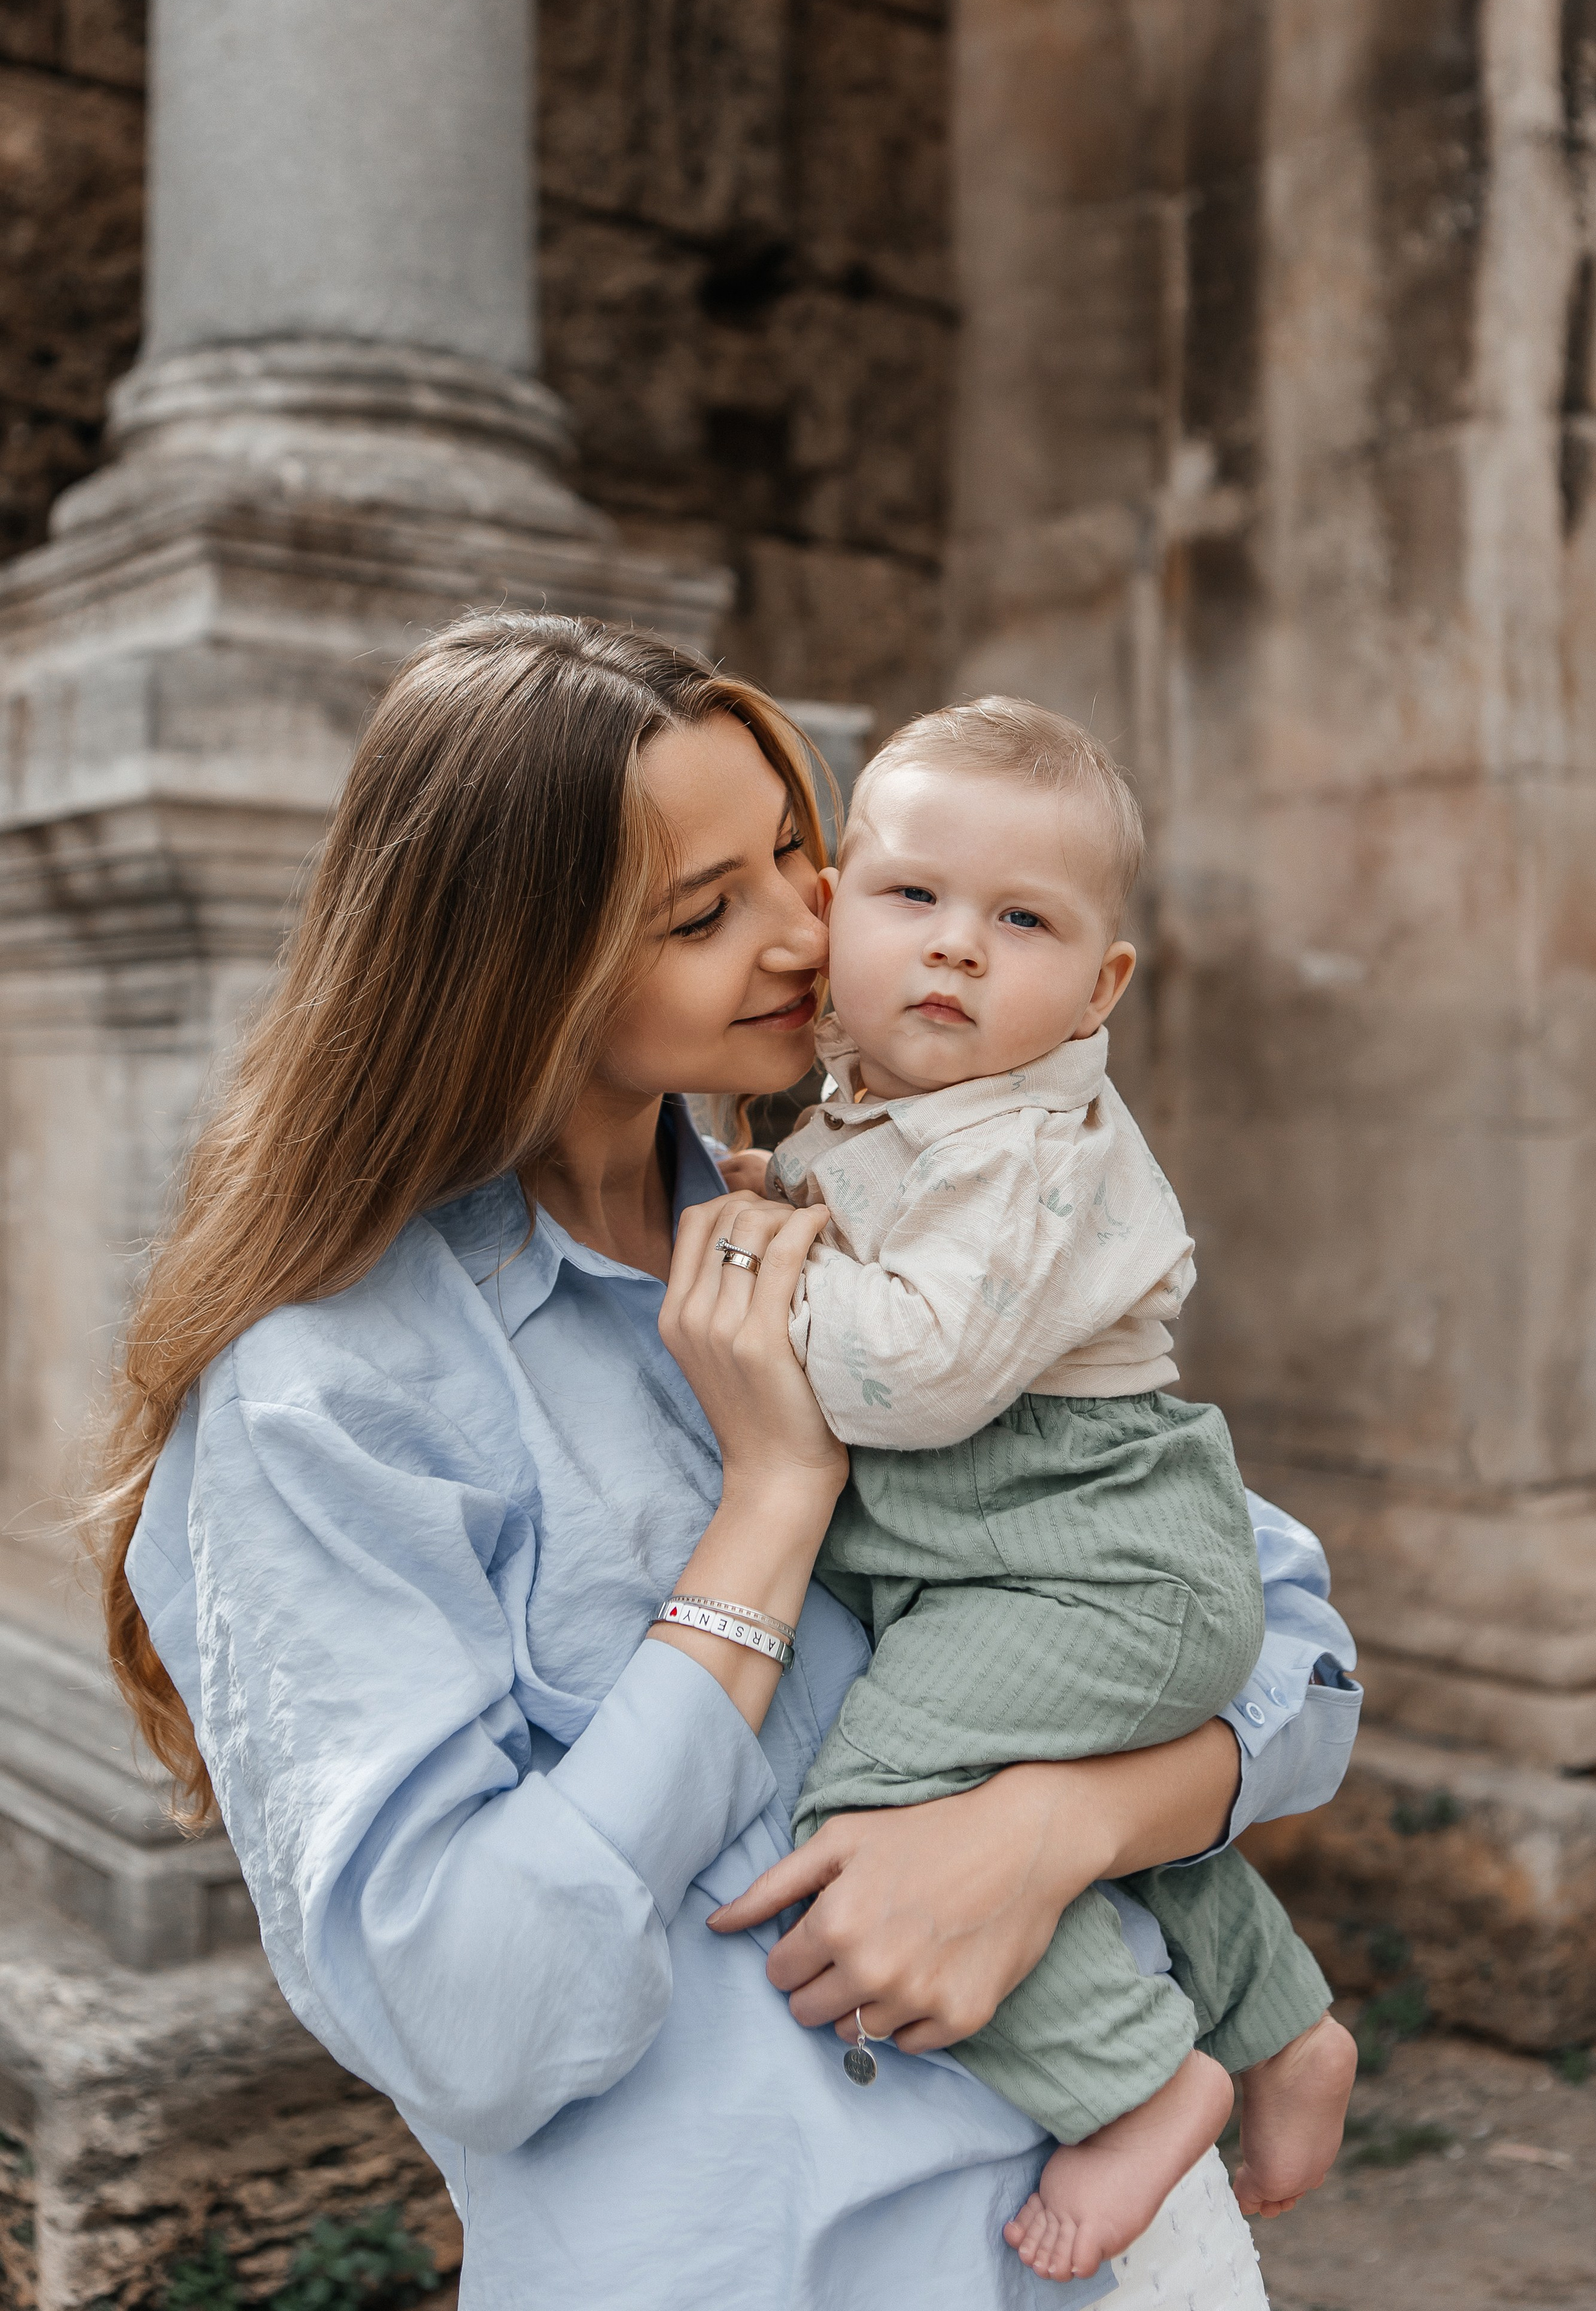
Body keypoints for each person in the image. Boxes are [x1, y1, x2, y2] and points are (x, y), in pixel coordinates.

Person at [99, 614, 1362, 2310]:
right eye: (703, 914)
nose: (804, 932)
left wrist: (1059, 1826)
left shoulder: (869, 1220)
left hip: (1135, 2245)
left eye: (793, 855)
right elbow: (474, 2023)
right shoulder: (331, 1393)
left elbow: (1295, 1652)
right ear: (515, 968)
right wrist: (769, 1512)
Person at [718, 696, 1356, 2283]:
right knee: (1060, 1803)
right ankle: (1280, 2023)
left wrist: (765, 1264)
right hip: (1028, 1550)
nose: (955, 945)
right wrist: (785, 1184)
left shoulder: (1024, 1146)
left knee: (881, 1810)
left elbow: (913, 1375)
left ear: (1098, 986)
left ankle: (1137, 2088)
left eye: (1021, 921)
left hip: (1087, 1553)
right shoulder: (907, 1102)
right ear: (834, 911)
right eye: (912, 896)